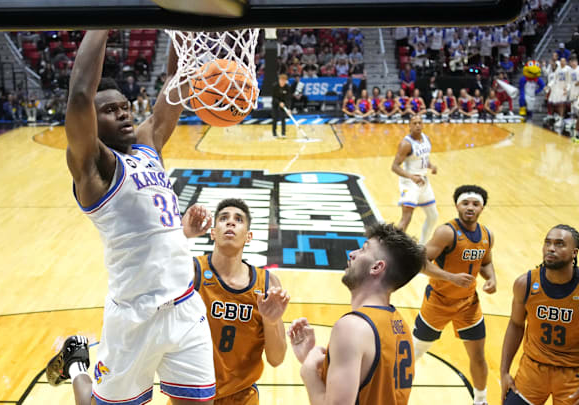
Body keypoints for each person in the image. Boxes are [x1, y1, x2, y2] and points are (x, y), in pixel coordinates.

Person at [44, 30, 216, 405]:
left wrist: (184, 26)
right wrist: (102, 22)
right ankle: (76, 364)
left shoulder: (148, 144)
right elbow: (78, 96)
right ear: (92, 120)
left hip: (186, 306)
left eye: (124, 106)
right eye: (109, 110)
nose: (123, 112)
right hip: (133, 320)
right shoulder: (94, 168)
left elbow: (175, 81)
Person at [289, 223, 426, 405]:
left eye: (363, 249)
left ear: (377, 267)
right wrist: (310, 358)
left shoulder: (352, 327)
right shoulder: (400, 324)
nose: (352, 254)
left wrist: (308, 373)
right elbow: (370, 389)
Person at [182, 199, 289, 405]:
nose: (230, 223)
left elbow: (277, 359)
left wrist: (271, 321)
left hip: (242, 397)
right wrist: (182, 234)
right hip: (192, 395)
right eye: (223, 218)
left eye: (238, 219)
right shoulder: (191, 271)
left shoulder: (267, 284)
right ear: (213, 232)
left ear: (249, 236)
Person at [411, 185, 497, 405]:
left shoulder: (487, 234)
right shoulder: (446, 232)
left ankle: (480, 400)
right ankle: (389, 389)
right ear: (457, 205)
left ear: (482, 207)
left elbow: (485, 262)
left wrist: (491, 278)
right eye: (465, 203)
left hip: (469, 304)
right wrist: (450, 277)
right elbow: (420, 263)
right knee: (414, 353)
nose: (470, 207)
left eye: (475, 204)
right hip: (438, 302)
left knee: (478, 356)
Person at [500, 225, 579, 405]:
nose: (551, 248)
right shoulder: (525, 283)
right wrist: (504, 372)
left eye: (560, 244)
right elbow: (516, 324)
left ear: (574, 252)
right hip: (533, 370)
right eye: (548, 243)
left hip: (573, 373)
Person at [391, 114, 438, 244]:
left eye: (419, 122)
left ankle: (422, 246)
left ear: (423, 124)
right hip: (409, 183)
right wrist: (411, 177)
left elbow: (423, 159)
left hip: (423, 182)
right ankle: (393, 247)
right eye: (414, 123)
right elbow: (394, 167)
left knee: (433, 216)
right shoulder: (406, 144)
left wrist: (431, 166)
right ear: (409, 126)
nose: (417, 125)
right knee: (406, 218)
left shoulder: (426, 139)